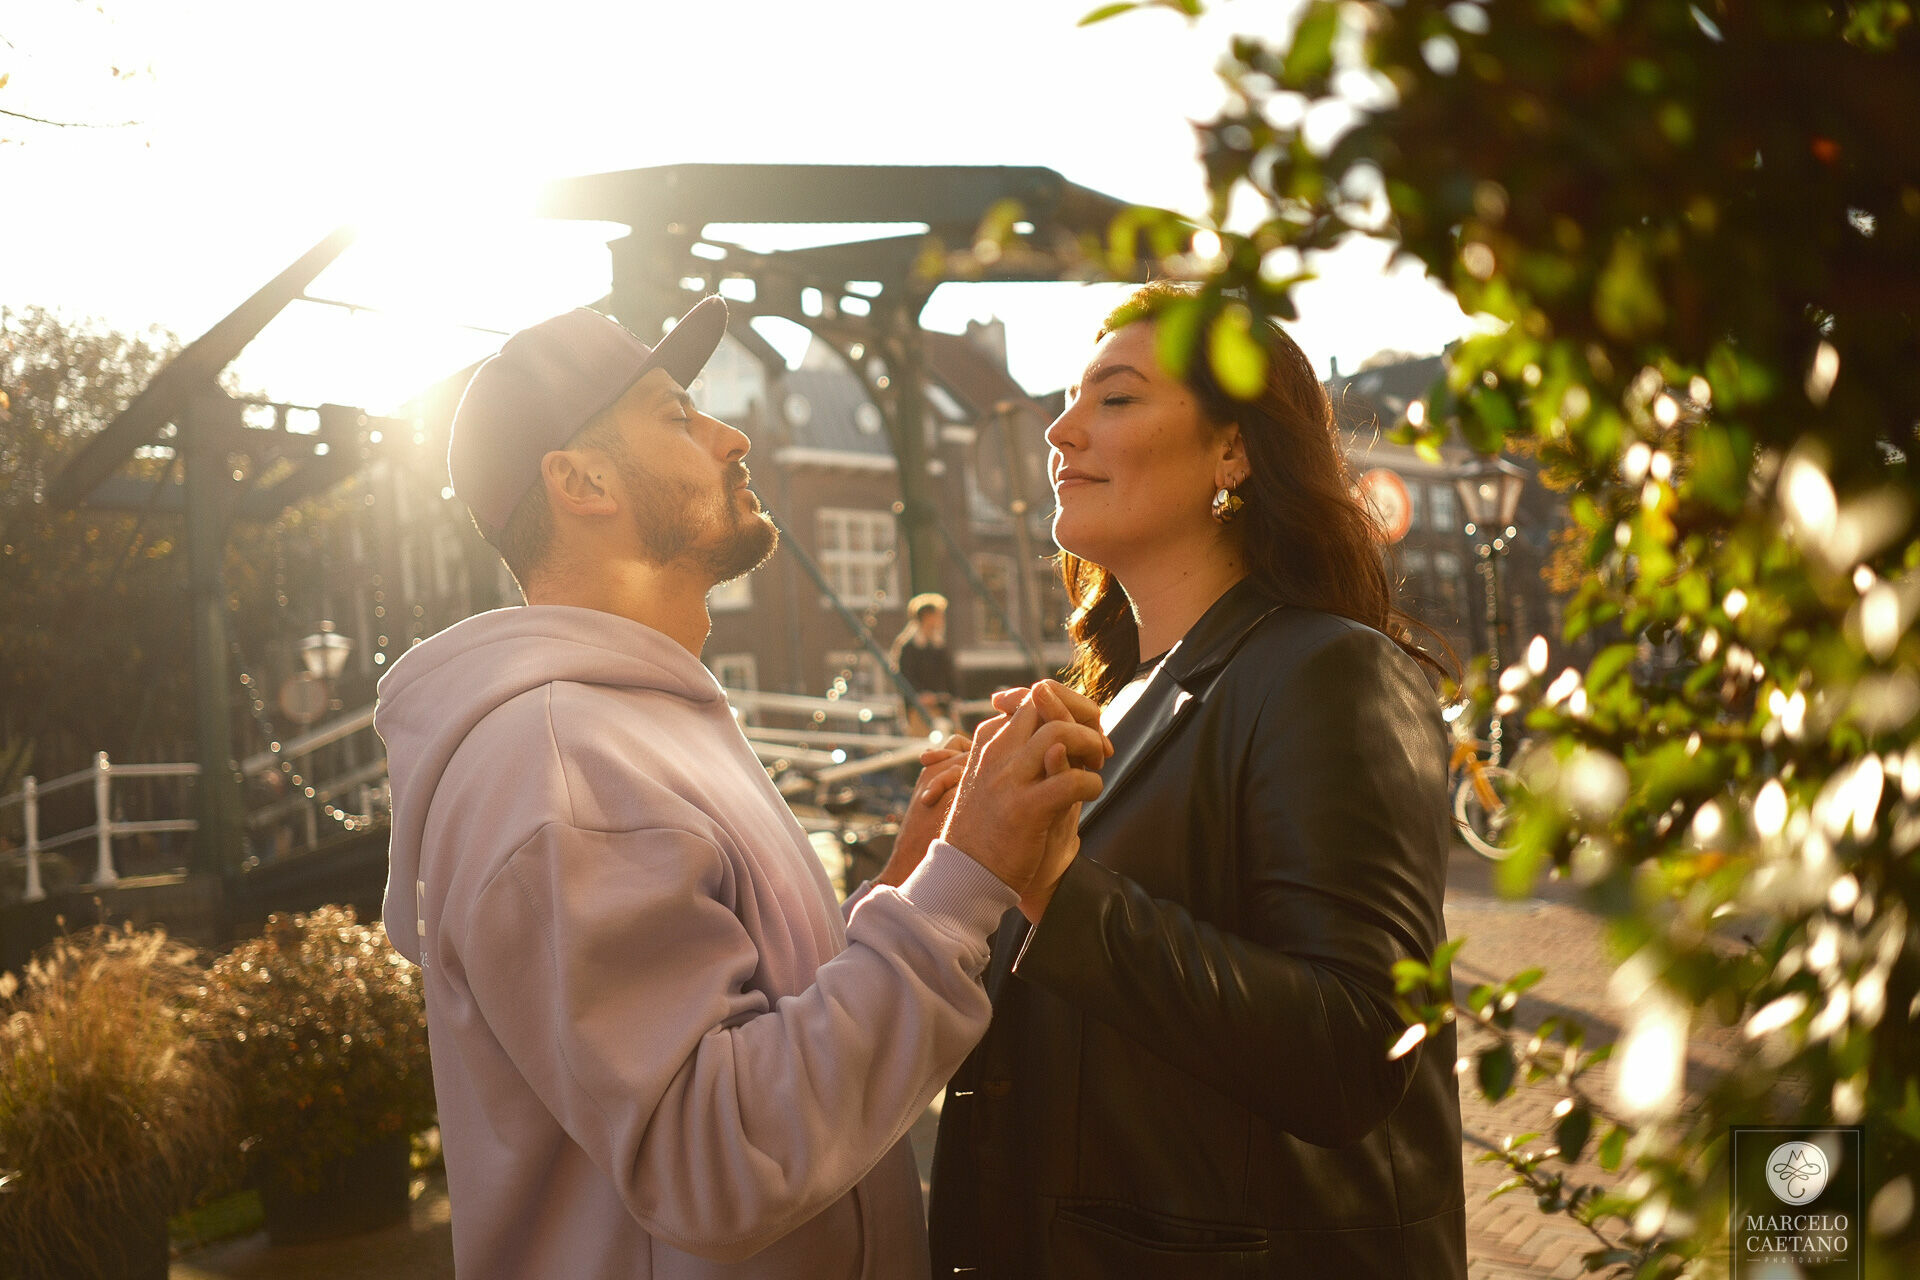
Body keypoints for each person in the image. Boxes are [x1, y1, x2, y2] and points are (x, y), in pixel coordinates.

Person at [375, 297, 1109, 1279]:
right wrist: (966, 878)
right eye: (678, 417)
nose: (733, 436)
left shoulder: (638, 722)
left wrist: (910, 881)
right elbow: (715, 1157)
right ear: (582, 479)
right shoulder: (558, 769)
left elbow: (749, 1030)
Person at [924, 281, 1469, 1277]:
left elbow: (1357, 1044)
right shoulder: (1122, 699)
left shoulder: (1329, 671)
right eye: (1070, 396)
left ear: (1233, 449)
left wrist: (1053, 885)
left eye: (1115, 398)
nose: (1059, 427)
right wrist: (941, 871)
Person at [891, 592, 959, 733]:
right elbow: (905, 678)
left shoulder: (939, 646)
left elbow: (950, 677)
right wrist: (920, 696)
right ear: (927, 617)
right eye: (938, 615)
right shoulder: (909, 647)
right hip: (919, 711)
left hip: (942, 708)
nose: (941, 620)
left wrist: (949, 697)